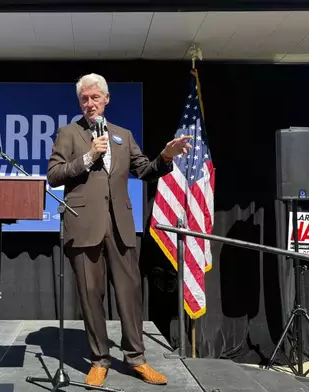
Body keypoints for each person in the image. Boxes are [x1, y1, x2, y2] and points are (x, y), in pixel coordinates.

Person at [46, 73, 192, 387]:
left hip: (121, 226)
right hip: (84, 226)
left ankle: (136, 358)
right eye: (84, 99)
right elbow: (54, 175)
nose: (89, 104)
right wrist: (88, 157)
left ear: (106, 99)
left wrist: (166, 155)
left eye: (94, 98)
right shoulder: (68, 134)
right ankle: (100, 360)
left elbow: (145, 170)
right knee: (91, 295)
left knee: (129, 294)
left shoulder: (123, 135)